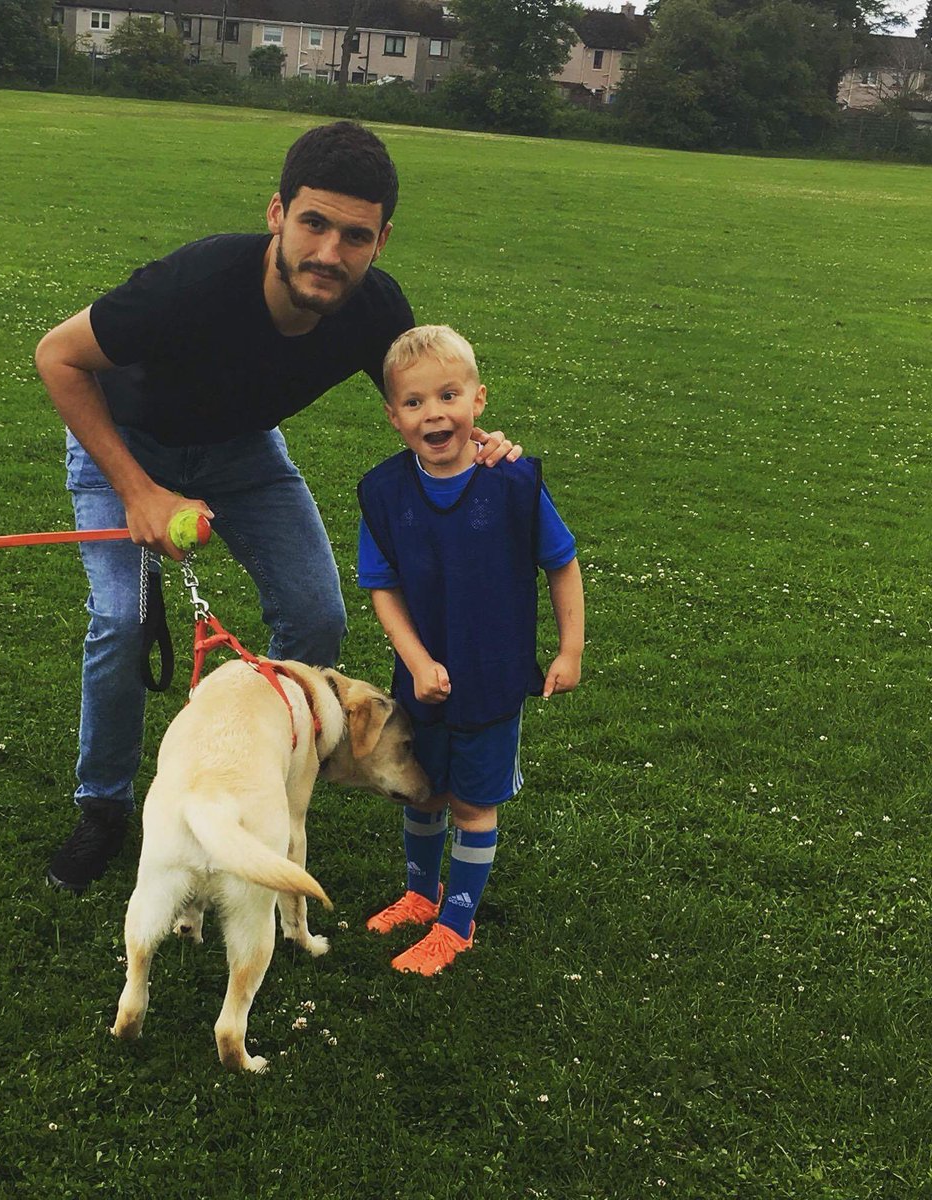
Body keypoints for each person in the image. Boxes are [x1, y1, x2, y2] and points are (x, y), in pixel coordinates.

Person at [34, 123, 519, 893]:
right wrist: (137, 491)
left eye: (354, 235)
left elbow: (424, 389)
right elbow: (56, 357)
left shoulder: (374, 309)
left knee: (317, 615)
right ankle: (104, 807)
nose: (329, 252)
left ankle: (279, 773)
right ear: (277, 213)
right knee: (122, 621)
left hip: (243, 453)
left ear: (381, 240)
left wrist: (478, 440)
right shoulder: (192, 282)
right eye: (313, 223)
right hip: (126, 445)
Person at [356, 325, 585, 975]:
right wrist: (417, 660)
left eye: (449, 395)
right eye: (414, 402)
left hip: (491, 676)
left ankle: (457, 922)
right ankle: (419, 895)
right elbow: (383, 589)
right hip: (422, 681)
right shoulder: (383, 494)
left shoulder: (511, 482)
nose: (434, 413)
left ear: (479, 400)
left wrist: (569, 651)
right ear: (393, 416)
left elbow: (562, 563)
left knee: (471, 804)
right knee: (422, 792)